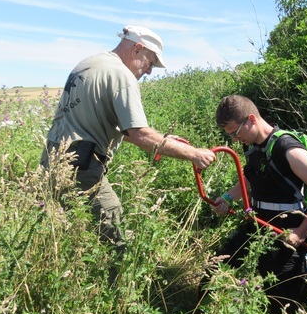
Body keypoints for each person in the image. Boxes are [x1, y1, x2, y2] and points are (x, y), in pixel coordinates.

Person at [41, 26, 215, 254]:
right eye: (150, 63)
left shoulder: (89, 64)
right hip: (80, 167)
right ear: (137, 49)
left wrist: (161, 139)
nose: (149, 72)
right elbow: (140, 135)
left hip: (51, 161)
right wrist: (195, 154)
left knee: (65, 232)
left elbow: (107, 122)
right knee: (115, 234)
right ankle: (117, 286)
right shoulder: (122, 76)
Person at [212, 95, 307, 314]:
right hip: (257, 224)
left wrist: (301, 232)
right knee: (215, 267)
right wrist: (227, 198)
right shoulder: (253, 147)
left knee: (281, 300)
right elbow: (250, 179)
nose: (235, 140)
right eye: (230, 136)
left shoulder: (288, 148)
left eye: (235, 132)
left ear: (251, 119)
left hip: (286, 231)